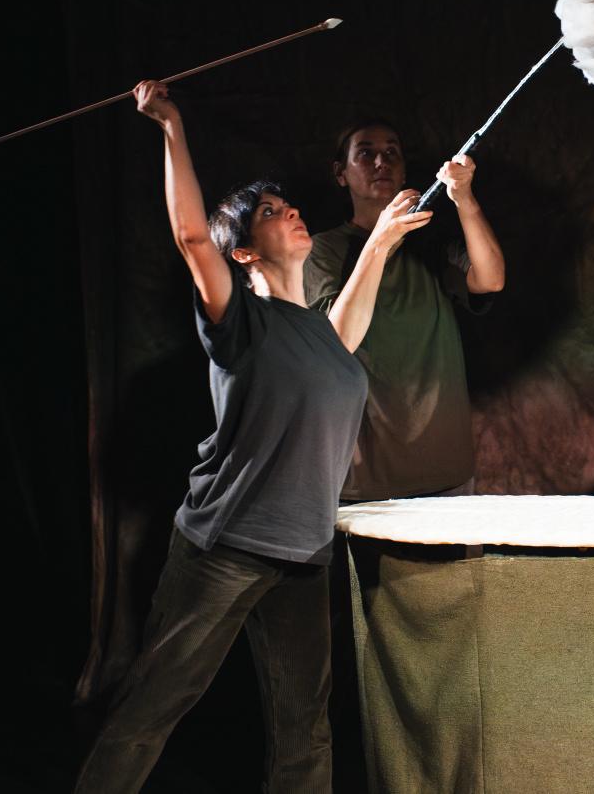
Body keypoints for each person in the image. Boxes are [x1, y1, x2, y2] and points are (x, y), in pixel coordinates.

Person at [75, 82, 428, 793]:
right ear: (242, 255)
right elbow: (191, 236)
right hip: (225, 548)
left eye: (289, 206)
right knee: (151, 709)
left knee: (306, 731)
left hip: (303, 557)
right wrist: (171, 126)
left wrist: (383, 238)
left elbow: (354, 300)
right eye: (269, 212)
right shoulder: (237, 321)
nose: (291, 212)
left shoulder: (325, 336)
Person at [304, 118, 504, 501]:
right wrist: (381, 241)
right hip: (365, 483)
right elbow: (336, 341)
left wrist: (463, 198)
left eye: (391, 152)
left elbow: (491, 279)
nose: (382, 161)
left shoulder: (430, 240)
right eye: (366, 154)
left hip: (447, 474)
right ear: (340, 173)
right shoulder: (321, 250)